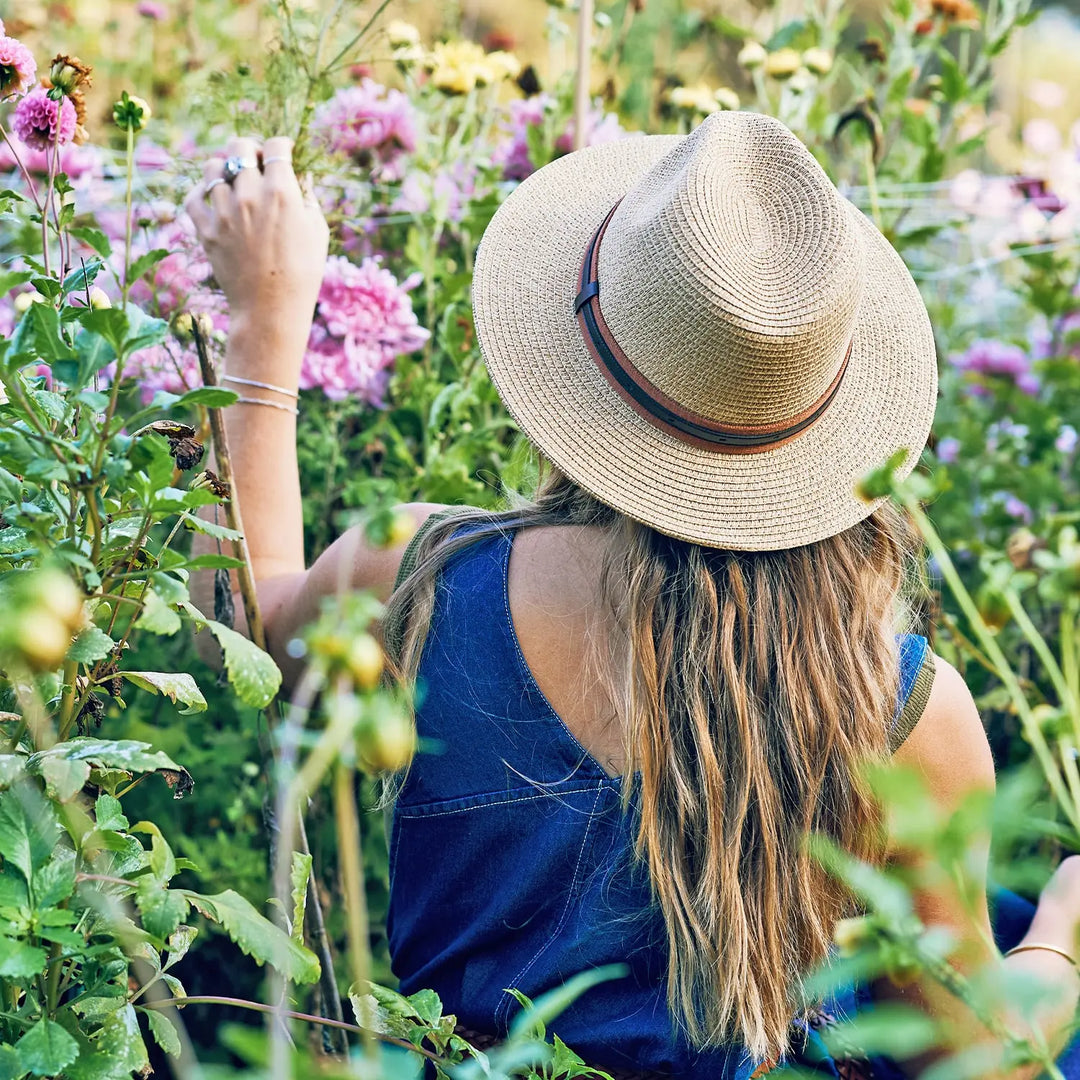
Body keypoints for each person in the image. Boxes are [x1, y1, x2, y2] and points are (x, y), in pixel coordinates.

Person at [187, 112, 1080, 1079]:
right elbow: (979, 1059)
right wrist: (1067, 929)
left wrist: (264, 324)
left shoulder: (420, 579)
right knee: (1006, 925)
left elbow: (241, 627)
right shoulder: (902, 707)